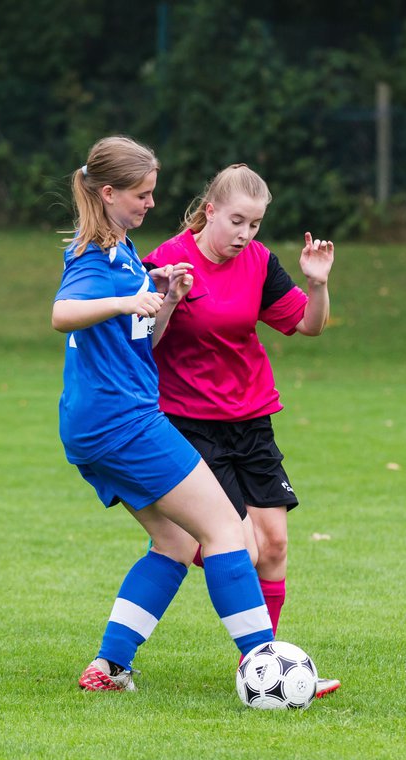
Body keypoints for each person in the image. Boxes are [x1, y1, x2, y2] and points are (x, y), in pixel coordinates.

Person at [53, 137, 274, 691]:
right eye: (142, 194)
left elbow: (139, 345)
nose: (151, 203)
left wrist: (163, 296)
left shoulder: (122, 250)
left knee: (176, 543)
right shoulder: (95, 253)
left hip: (92, 426)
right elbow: (62, 314)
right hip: (123, 422)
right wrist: (128, 300)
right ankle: (266, 668)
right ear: (109, 192)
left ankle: (108, 667)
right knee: (225, 529)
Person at [143, 164, 340, 697]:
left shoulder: (259, 263)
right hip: (189, 426)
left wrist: (317, 285)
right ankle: (258, 659)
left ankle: (264, 666)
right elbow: (141, 348)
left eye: (255, 224)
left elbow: (308, 326)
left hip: (252, 422)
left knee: (273, 545)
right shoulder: (166, 260)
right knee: (240, 547)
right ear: (210, 211)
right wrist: (171, 302)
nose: (245, 235)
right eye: (237, 221)